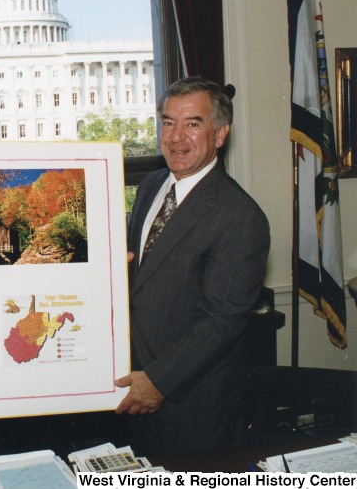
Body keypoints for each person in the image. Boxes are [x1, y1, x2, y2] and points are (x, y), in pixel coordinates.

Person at [114, 76, 270, 456]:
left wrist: (159, 382)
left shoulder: (240, 216)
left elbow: (222, 320)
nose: (176, 137)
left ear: (220, 134)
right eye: (168, 123)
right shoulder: (151, 185)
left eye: (193, 124)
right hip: (133, 391)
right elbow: (146, 279)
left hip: (192, 407)